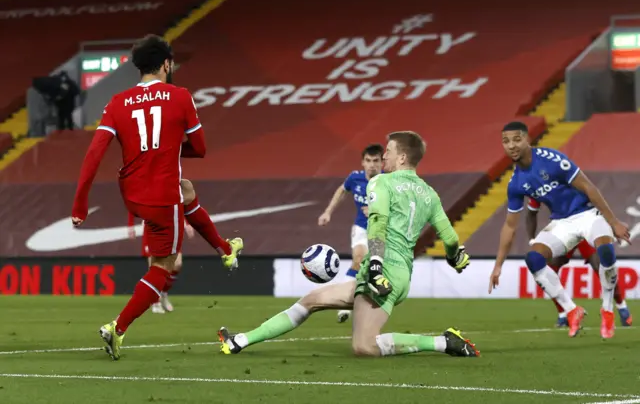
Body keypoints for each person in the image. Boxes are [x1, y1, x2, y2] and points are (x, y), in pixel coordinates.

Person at [219, 131, 479, 358]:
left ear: (401, 158)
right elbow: (451, 238)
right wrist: (454, 257)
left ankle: (443, 342)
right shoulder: (430, 194)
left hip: (381, 271)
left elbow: (377, 224)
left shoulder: (382, 182)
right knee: (312, 300)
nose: (384, 157)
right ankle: (240, 340)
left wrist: (375, 265)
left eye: (388, 152)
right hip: (400, 274)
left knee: (365, 347)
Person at [71, 35, 244, 360]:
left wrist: (80, 203)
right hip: (162, 197)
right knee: (164, 265)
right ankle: (117, 329)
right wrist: (170, 145)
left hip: (134, 195)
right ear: (166, 63)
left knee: (187, 187)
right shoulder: (179, 96)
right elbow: (201, 148)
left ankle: (224, 249)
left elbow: (94, 153)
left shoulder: (117, 101)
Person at [489, 121, 630, 339]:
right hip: (562, 223)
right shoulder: (515, 183)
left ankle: (608, 308)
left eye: (517, 139)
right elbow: (510, 225)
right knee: (534, 259)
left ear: (528, 139)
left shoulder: (551, 159)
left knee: (605, 252)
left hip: (587, 214)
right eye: (505, 142)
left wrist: (614, 222)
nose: (511, 146)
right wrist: (498, 266)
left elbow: (588, 187)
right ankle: (571, 310)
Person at [526, 198, 632, 327]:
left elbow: (596, 200)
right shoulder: (539, 184)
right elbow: (532, 212)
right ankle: (564, 313)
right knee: (549, 269)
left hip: (586, 228)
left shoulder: (575, 180)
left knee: (602, 267)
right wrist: (532, 239)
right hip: (564, 231)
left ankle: (622, 307)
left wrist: (611, 225)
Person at [318, 144, 384, 323]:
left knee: (373, 269)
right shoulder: (355, 178)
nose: (372, 165)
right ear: (363, 162)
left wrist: (376, 210)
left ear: (382, 163)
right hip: (362, 228)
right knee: (358, 259)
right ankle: (344, 304)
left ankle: (366, 302)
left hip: (382, 231)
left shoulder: (388, 182)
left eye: (376, 161)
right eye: (368, 161)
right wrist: (328, 212)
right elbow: (341, 190)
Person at [127, 179, 196, 314]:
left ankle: (163, 293)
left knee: (177, 264)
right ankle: (155, 301)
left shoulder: (170, 180)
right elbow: (134, 203)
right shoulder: (146, 182)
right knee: (154, 266)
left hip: (171, 225)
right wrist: (131, 225)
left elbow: (179, 204)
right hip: (152, 226)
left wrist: (186, 223)